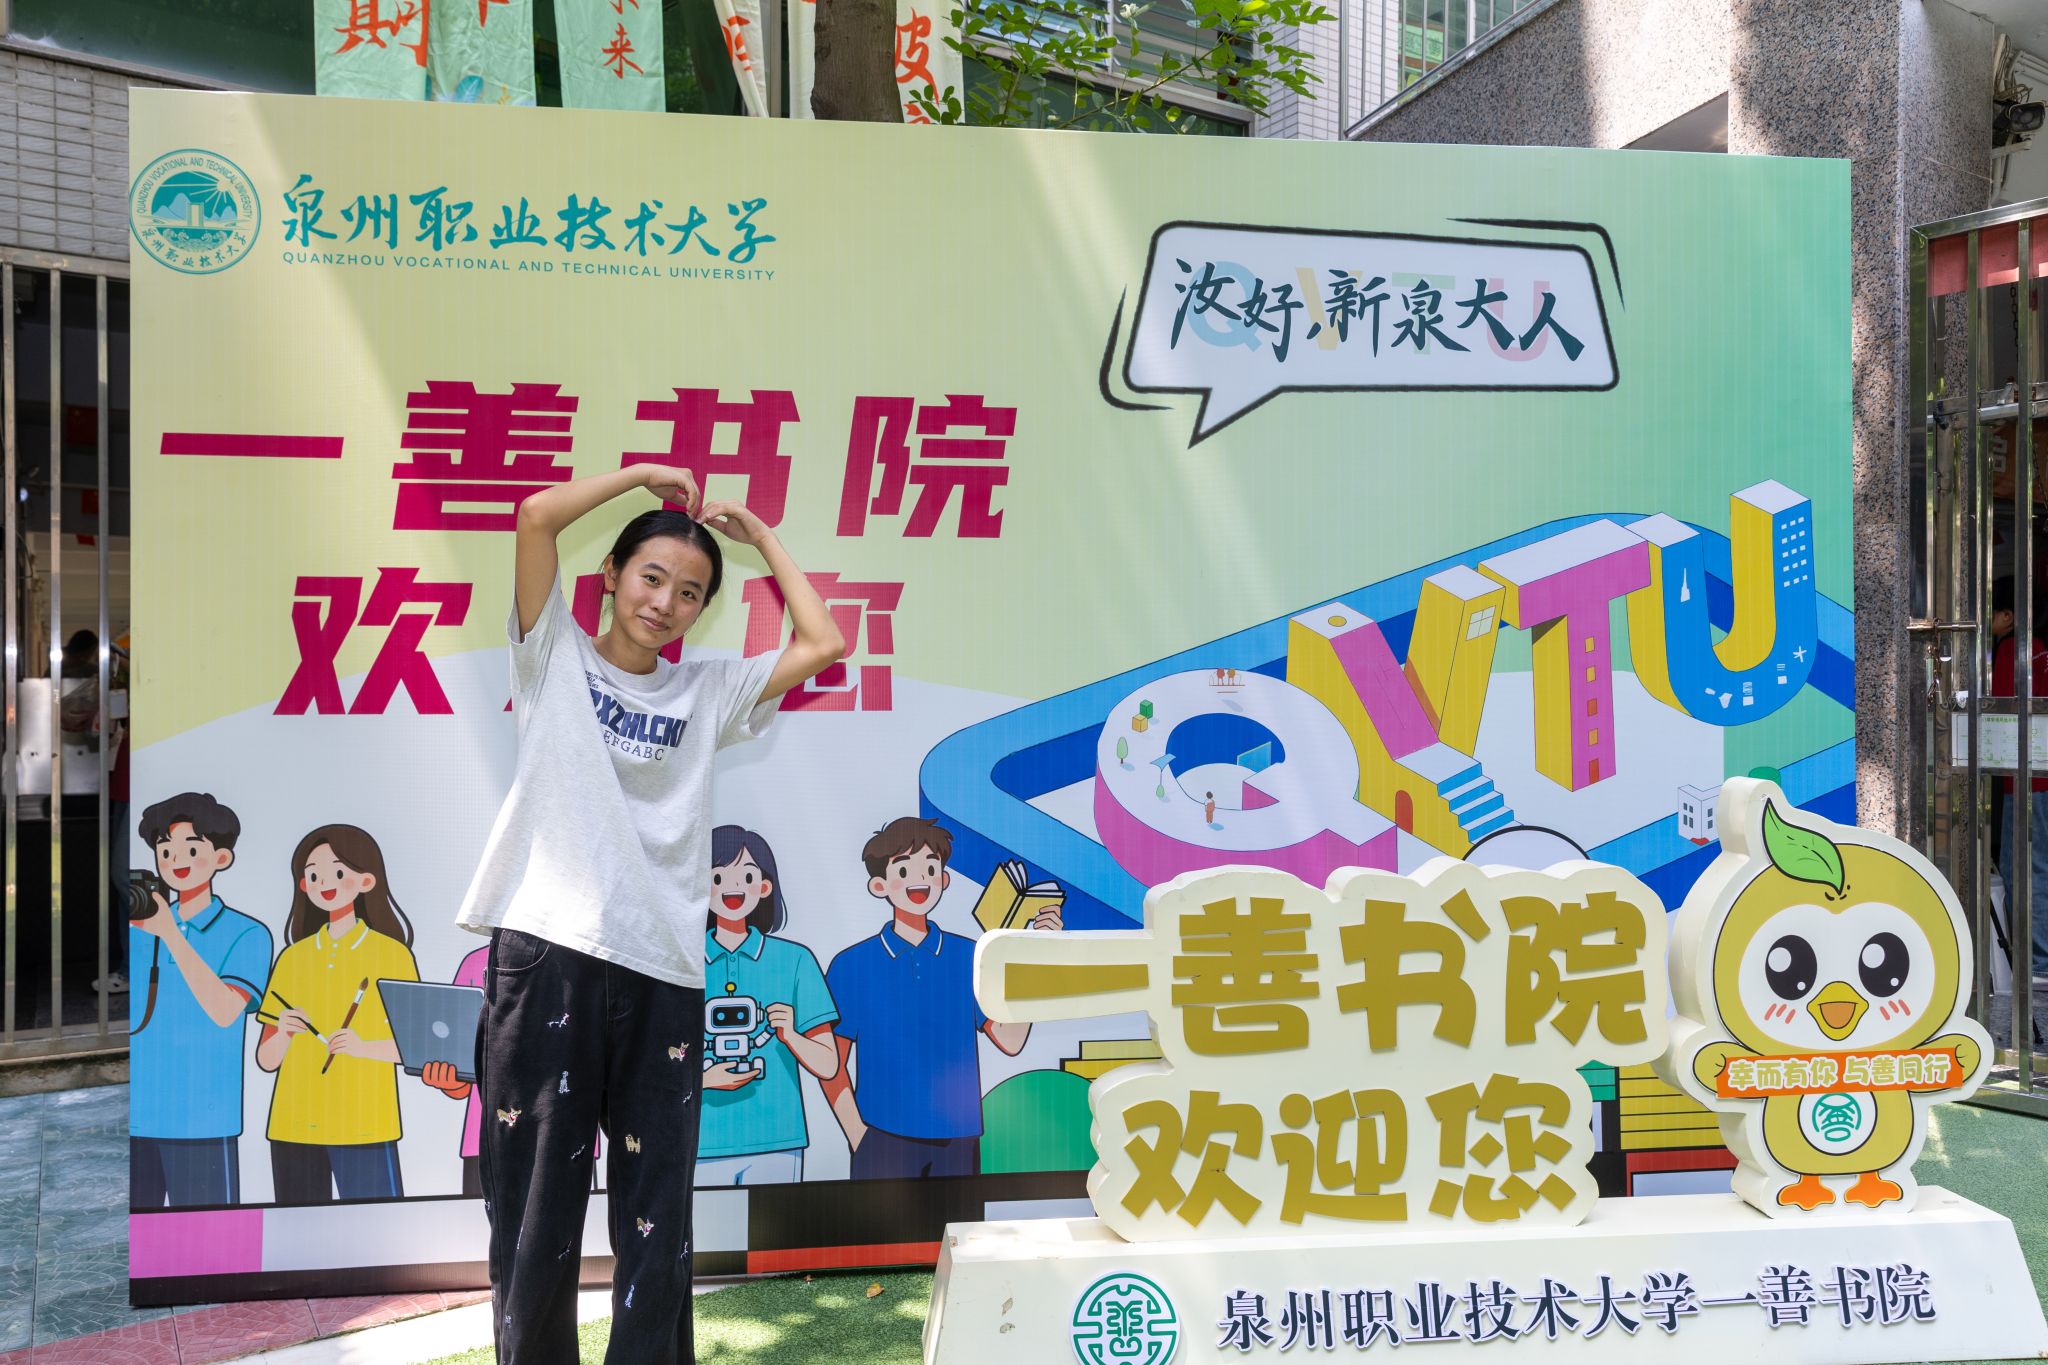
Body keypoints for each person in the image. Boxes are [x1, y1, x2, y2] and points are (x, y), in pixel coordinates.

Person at [455, 463, 843, 1364]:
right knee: (537, 1205)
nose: (666, 602)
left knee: (656, 1211)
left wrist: (763, 539)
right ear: (612, 575)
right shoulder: (551, 653)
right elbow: (536, 517)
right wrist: (635, 477)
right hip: (548, 953)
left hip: (664, 967)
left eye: (690, 592)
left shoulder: (706, 691)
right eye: (652, 577)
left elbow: (823, 640)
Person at [822, 817, 1060, 1180]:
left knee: (959, 1221)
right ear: (879, 885)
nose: (920, 879)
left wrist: (1037, 960)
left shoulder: (971, 956)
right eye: (904, 869)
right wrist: (858, 1135)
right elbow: (830, 1064)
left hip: (959, 1140)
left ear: (943, 879)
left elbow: (1011, 1041)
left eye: (931, 868)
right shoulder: (851, 965)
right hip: (881, 1137)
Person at [255, 824, 420, 1202]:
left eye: (338, 871)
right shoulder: (291, 958)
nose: (324, 883)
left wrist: (362, 1047)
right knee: (299, 1229)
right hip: (293, 1125)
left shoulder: (393, 955)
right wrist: (283, 1032)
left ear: (366, 880)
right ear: (303, 885)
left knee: (377, 1227)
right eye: (313, 875)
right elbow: (266, 1060)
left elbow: (415, 1048)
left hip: (364, 1124)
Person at [128, 792, 272, 1207]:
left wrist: (171, 935)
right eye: (165, 850)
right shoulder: (139, 930)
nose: (176, 859)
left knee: (210, 1235)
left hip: (203, 1119)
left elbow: (225, 1011)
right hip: (138, 1114)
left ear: (221, 858)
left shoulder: (247, 933)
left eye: (191, 849)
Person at [697, 825, 839, 1185]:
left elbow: (828, 1064)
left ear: (764, 886)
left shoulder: (795, 960)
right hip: (700, 1141)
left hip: (777, 1141)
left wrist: (791, 1035)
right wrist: (704, 1079)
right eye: (717, 876)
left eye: (746, 876)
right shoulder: (684, 960)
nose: (732, 888)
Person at [1991, 579, 2048, 992]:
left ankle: (2037, 963)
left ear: (2008, 615)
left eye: (1989, 612)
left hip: (2028, 781)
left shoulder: (2015, 650)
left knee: (2025, 870)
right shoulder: (2042, 648)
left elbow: (1997, 711)